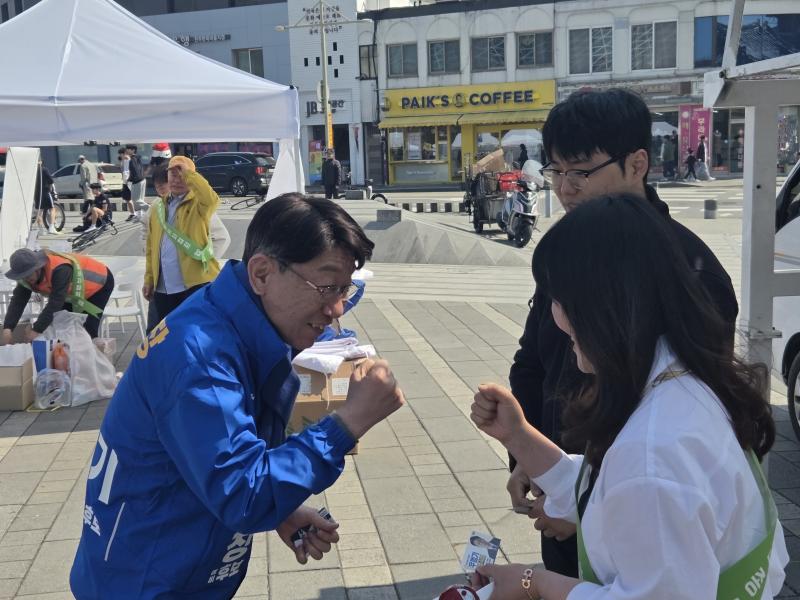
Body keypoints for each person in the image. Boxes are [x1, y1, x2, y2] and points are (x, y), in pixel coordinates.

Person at [70, 193, 405, 598]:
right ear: (262, 273)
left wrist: (280, 508)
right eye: (326, 287)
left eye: (345, 290)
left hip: (171, 562)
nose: (336, 309)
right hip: (145, 581)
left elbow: (216, 458)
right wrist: (347, 423)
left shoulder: (236, 322)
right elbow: (243, 494)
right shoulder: (202, 356)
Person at [469, 194, 787, 598]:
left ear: (601, 306)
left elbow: (641, 485)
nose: (554, 316)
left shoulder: (652, 453)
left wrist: (533, 583)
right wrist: (518, 436)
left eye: (558, 300)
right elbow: (612, 491)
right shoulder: (689, 381)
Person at [506, 88, 738, 578]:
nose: (565, 189)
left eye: (581, 172)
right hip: (564, 493)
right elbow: (532, 364)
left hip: (641, 515)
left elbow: (688, 418)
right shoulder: (572, 253)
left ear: (637, 164)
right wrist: (531, 459)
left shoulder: (690, 271)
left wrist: (586, 503)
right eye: (555, 172)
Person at [146, 162, 230, 331]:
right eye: (173, 175)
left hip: (193, 286)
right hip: (163, 287)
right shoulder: (157, 207)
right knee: (162, 334)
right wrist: (149, 279)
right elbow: (151, 248)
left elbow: (212, 199)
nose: (177, 180)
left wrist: (190, 175)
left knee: (192, 332)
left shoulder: (199, 205)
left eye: (182, 176)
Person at [1, 248, 114, 341]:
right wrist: (8, 327)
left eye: (28, 275)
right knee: (62, 326)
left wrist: (36, 330)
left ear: (38, 268)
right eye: (22, 276)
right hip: (71, 293)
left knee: (86, 330)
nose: (26, 279)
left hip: (99, 283)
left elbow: (55, 303)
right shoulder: (26, 279)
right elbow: (18, 302)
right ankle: (67, 358)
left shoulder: (60, 269)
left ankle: (91, 357)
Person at [34, 159, 57, 234]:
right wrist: (50, 187)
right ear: (41, 162)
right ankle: (51, 227)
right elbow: (51, 180)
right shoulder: (44, 169)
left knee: (39, 212)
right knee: (52, 209)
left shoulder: (33, 170)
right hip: (45, 192)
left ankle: (41, 230)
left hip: (36, 193)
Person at [125, 144, 147, 221]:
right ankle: (140, 216)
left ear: (133, 150)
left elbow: (135, 171)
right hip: (142, 179)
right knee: (140, 199)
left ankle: (152, 210)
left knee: (136, 200)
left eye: (128, 149)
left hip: (137, 181)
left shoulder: (132, 159)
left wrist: (129, 179)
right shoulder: (137, 158)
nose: (127, 150)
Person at [118, 147, 132, 215]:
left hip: (127, 181)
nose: (120, 156)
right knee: (127, 198)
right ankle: (132, 213)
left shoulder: (126, 159)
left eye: (120, 154)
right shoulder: (125, 160)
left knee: (129, 198)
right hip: (126, 181)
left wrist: (126, 181)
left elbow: (126, 171)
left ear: (123, 153)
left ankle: (133, 213)